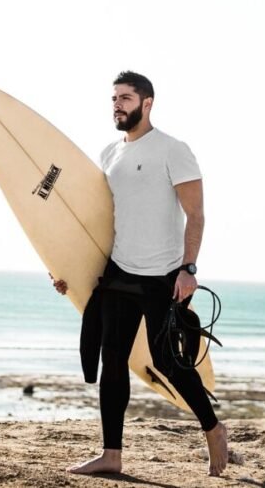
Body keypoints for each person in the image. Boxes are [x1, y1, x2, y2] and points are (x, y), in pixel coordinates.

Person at [51, 71, 228, 476]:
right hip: (118, 271)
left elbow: (196, 214)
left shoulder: (173, 150)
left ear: (147, 103)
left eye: (126, 98)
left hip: (163, 275)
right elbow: (94, 222)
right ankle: (111, 454)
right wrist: (67, 268)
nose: (117, 105)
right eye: (114, 98)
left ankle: (214, 429)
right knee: (112, 360)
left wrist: (188, 269)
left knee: (168, 361)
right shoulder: (109, 155)